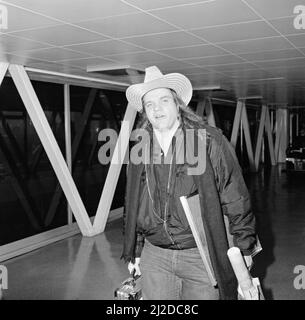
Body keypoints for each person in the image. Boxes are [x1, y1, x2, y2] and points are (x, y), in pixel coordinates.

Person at [121, 66, 260, 300]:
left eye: (163, 100)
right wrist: (134, 250)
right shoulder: (140, 150)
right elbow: (133, 203)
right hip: (155, 256)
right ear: (144, 111)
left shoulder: (207, 141)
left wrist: (244, 246)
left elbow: (234, 194)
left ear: (178, 105)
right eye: (149, 104)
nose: (157, 109)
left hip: (200, 254)